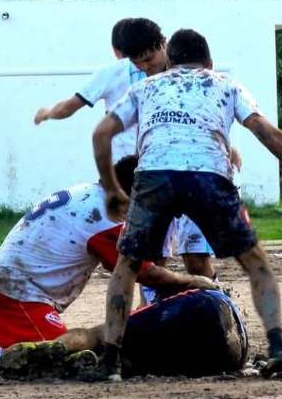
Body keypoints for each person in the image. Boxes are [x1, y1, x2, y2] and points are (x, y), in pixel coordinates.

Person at [92, 28, 282, 381]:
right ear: (210, 62)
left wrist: (111, 188)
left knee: (128, 265)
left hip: (155, 177)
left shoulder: (145, 88)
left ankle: (111, 360)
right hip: (208, 176)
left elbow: (100, 134)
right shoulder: (226, 85)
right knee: (255, 261)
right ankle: (279, 347)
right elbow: (268, 134)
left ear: (170, 61)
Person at [0, 156, 246, 379]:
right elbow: (145, 273)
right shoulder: (106, 220)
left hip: (10, 286)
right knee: (54, 360)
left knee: (59, 351)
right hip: (16, 294)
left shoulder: (90, 196)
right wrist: (196, 283)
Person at [33, 17, 216, 280]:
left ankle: (217, 305)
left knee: (196, 260)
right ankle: (154, 316)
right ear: (121, 55)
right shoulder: (116, 74)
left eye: (149, 59)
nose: (144, 67)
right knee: (151, 262)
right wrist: (48, 112)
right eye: (136, 62)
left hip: (191, 174)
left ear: (164, 44)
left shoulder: (186, 73)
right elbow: (71, 106)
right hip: (144, 183)